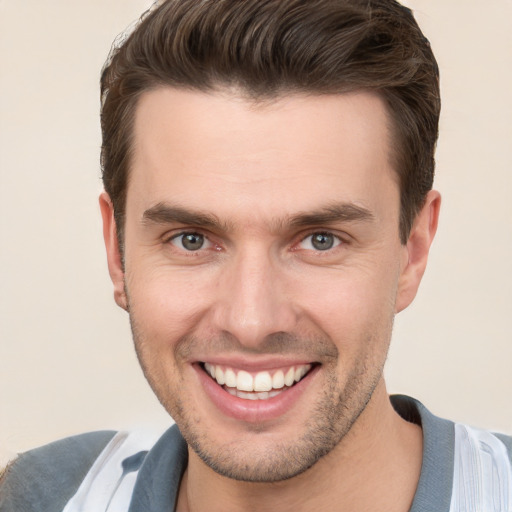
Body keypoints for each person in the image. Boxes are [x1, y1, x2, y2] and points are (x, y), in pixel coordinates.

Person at [1, 0, 511, 510]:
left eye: (320, 240)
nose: (251, 321)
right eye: (191, 239)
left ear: (413, 251)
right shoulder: (43, 495)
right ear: (117, 251)